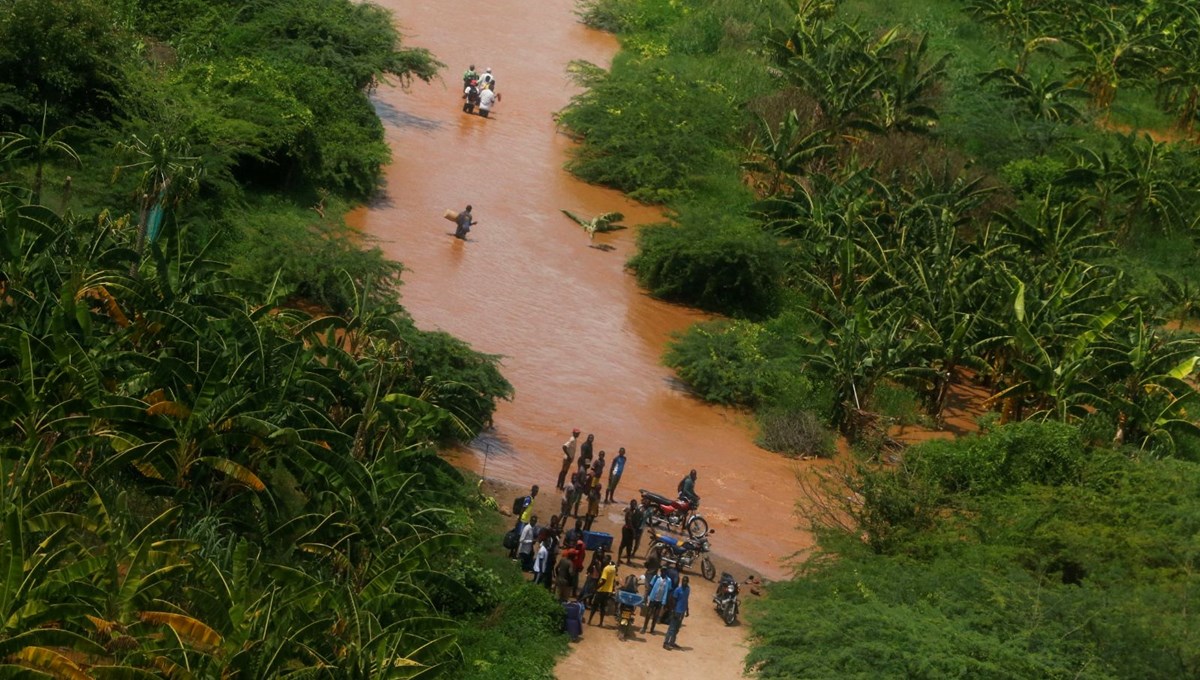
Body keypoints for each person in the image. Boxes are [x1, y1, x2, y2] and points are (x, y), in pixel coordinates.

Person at [588, 556, 617, 627]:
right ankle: (600, 623)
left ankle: (589, 621)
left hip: (601, 590)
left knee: (594, 606)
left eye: (605, 559)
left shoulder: (606, 569)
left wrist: (596, 588)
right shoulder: (613, 568)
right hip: (607, 591)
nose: (603, 560)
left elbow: (603, 580)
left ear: (608, 560)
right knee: (602, 607)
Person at [663, 575, 690, 650]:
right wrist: (673, 610)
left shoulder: (688, 589)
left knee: (677, 628)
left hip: (682, 613)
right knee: (671, 628)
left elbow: (686, 600)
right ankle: (666, 643)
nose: (684, 582)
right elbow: (673, 601)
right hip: (676, 611)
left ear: (687, 582)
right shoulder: (677, 590)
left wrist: (687, 610)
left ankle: (672, 642)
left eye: (685, 581)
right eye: (683, 581)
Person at [641, 567, 671, 634]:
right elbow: (651, 586)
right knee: (648, 614)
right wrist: (647, 596)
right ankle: (644, 627)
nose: (663, 573)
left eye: (665, 571)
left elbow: (668, 591)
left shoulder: (668, 580)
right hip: (653, 598)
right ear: (660, 571)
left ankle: (652, 629)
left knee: (656, 615)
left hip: (660, 600)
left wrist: (665, 601)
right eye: (662, 571)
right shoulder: (656, 577)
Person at [618, 499, 641, 564]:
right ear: (631, 505)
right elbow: (630, 523)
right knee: (623, 544)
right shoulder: (629, 512)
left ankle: (628, 560)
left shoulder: (633, 511)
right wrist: (634, 532)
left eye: (635, 504)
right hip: (627, 530)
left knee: (629, 545)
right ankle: (619, 559)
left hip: (629, 530)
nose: (635, 506)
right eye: (634, 504)